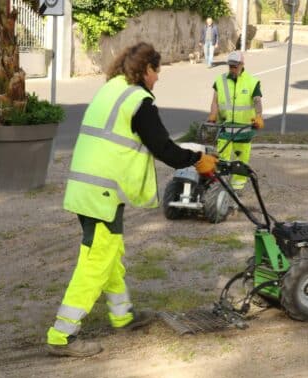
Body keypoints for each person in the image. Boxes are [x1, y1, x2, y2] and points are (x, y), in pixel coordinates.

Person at [46, 42, 217, 357]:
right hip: (102, 192)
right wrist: (198, 159)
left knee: (108, 250)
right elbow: (163, 149)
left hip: (89, 187)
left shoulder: (112, 89)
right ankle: (62, 334)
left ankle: (122, 313)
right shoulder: (139, 101)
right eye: (157, 71)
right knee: (97, 259)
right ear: (146, 69)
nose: (158, 78)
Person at [208, 51, 263, 192]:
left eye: (235, 66)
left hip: (243, 130)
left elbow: (257, 100)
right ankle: (221, 188)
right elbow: (215, 101)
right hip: (225, 129)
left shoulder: (252, 82)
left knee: (240, 163)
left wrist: (259, 116)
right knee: (221, 160)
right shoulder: (220, 80)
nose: (232, 69)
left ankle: (237, 189)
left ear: (242, 64)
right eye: (230, 66)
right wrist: (212, 116)